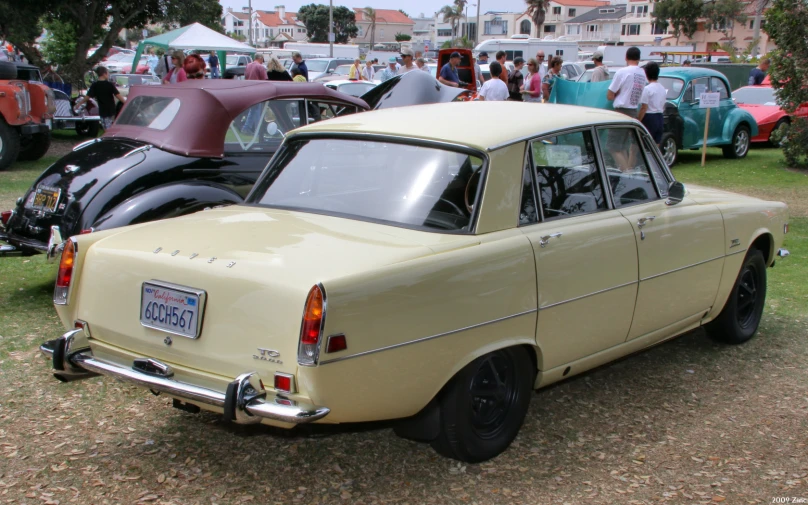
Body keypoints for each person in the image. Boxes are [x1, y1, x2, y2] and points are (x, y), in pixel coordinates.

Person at [75, 66, 124, 130]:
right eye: (107, 73)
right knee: (108, 126)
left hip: (102, 109)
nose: (108, 75)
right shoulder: (109, 84)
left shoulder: (95, 85)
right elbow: (117, 95)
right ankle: (108, 137)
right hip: (110, 109)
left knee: (105, 125)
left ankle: (107, 135)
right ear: (104, 74)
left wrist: (80, 103)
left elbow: (88, 96)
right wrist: (125, 102)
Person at [607, 46, 647, 118]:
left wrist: (616, 94)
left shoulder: (622, 72)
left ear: (626, 58)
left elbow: (609, 96)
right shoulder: (643, 74)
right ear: (639, 59)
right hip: (634, 111)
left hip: (620, 112)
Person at [638, 62, 666, 146]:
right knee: (656, 144)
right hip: (660, 116)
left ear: (646, 74)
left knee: (645, 143)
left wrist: (638, 120)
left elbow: (644, 107)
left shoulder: (647, 89)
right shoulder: (662, 88)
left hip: (649, 117)